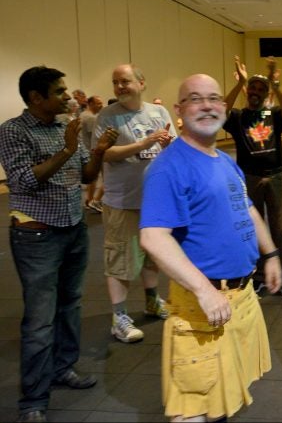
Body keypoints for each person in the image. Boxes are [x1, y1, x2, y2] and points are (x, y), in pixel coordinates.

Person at [139, 73, 282, 422]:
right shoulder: (169, 167)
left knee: (220, 400)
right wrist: (203, 290)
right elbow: (153, 237)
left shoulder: (223, 160)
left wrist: (271, 253)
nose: (207, 105)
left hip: (239, 297)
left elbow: (246, 208)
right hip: (203, 306)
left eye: (214, 98)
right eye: (195, 98)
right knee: (193, 408)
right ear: (178, 110)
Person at [0, 66, 118, 423]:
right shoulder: (14, 131)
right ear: (36, 98)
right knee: (39, 320)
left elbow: (86, 175)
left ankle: (62, 368)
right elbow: (22, 181)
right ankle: (33, 401)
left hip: (73, 229)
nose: (69, 97)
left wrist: (97, 150)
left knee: (70, 306)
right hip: (36, 235)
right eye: (60, 92)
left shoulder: (62, 127)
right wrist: (68, 150)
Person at [94, 63, 176, 343]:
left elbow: (172, 147)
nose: (120, 87)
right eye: (116, 82)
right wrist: (144, 144)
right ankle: (119, 318)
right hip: (122, 202)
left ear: (142, 83)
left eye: (125, 81)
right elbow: (104, 154)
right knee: (120, 260)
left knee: (152, 257)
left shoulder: (159, 113)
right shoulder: (107, 116)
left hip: (155, 202)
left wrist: (165, 145)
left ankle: (152, 301)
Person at [223, 56, 282, 299]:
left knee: (281, 230)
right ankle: (257, 277)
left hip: (276, 178)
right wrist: (239, 83)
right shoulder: (237, 118)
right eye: (252, 88)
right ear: (247, 91)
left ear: (266, 93)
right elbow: (220, 111)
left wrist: (275, 84)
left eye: (261, 88)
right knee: (252, 230)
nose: (256, 92)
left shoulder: (273, 114)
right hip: (248, 178)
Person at [80, 95, 105, 213]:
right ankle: (92, 201)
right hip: (91, 150)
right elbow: (95, 136)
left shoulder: (85, 115)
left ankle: (89, 201)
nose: (101, 105)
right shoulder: (90, 117)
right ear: (91, 104)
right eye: (98, 103)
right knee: (95, 177)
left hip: (87, 149)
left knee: (93, 178)